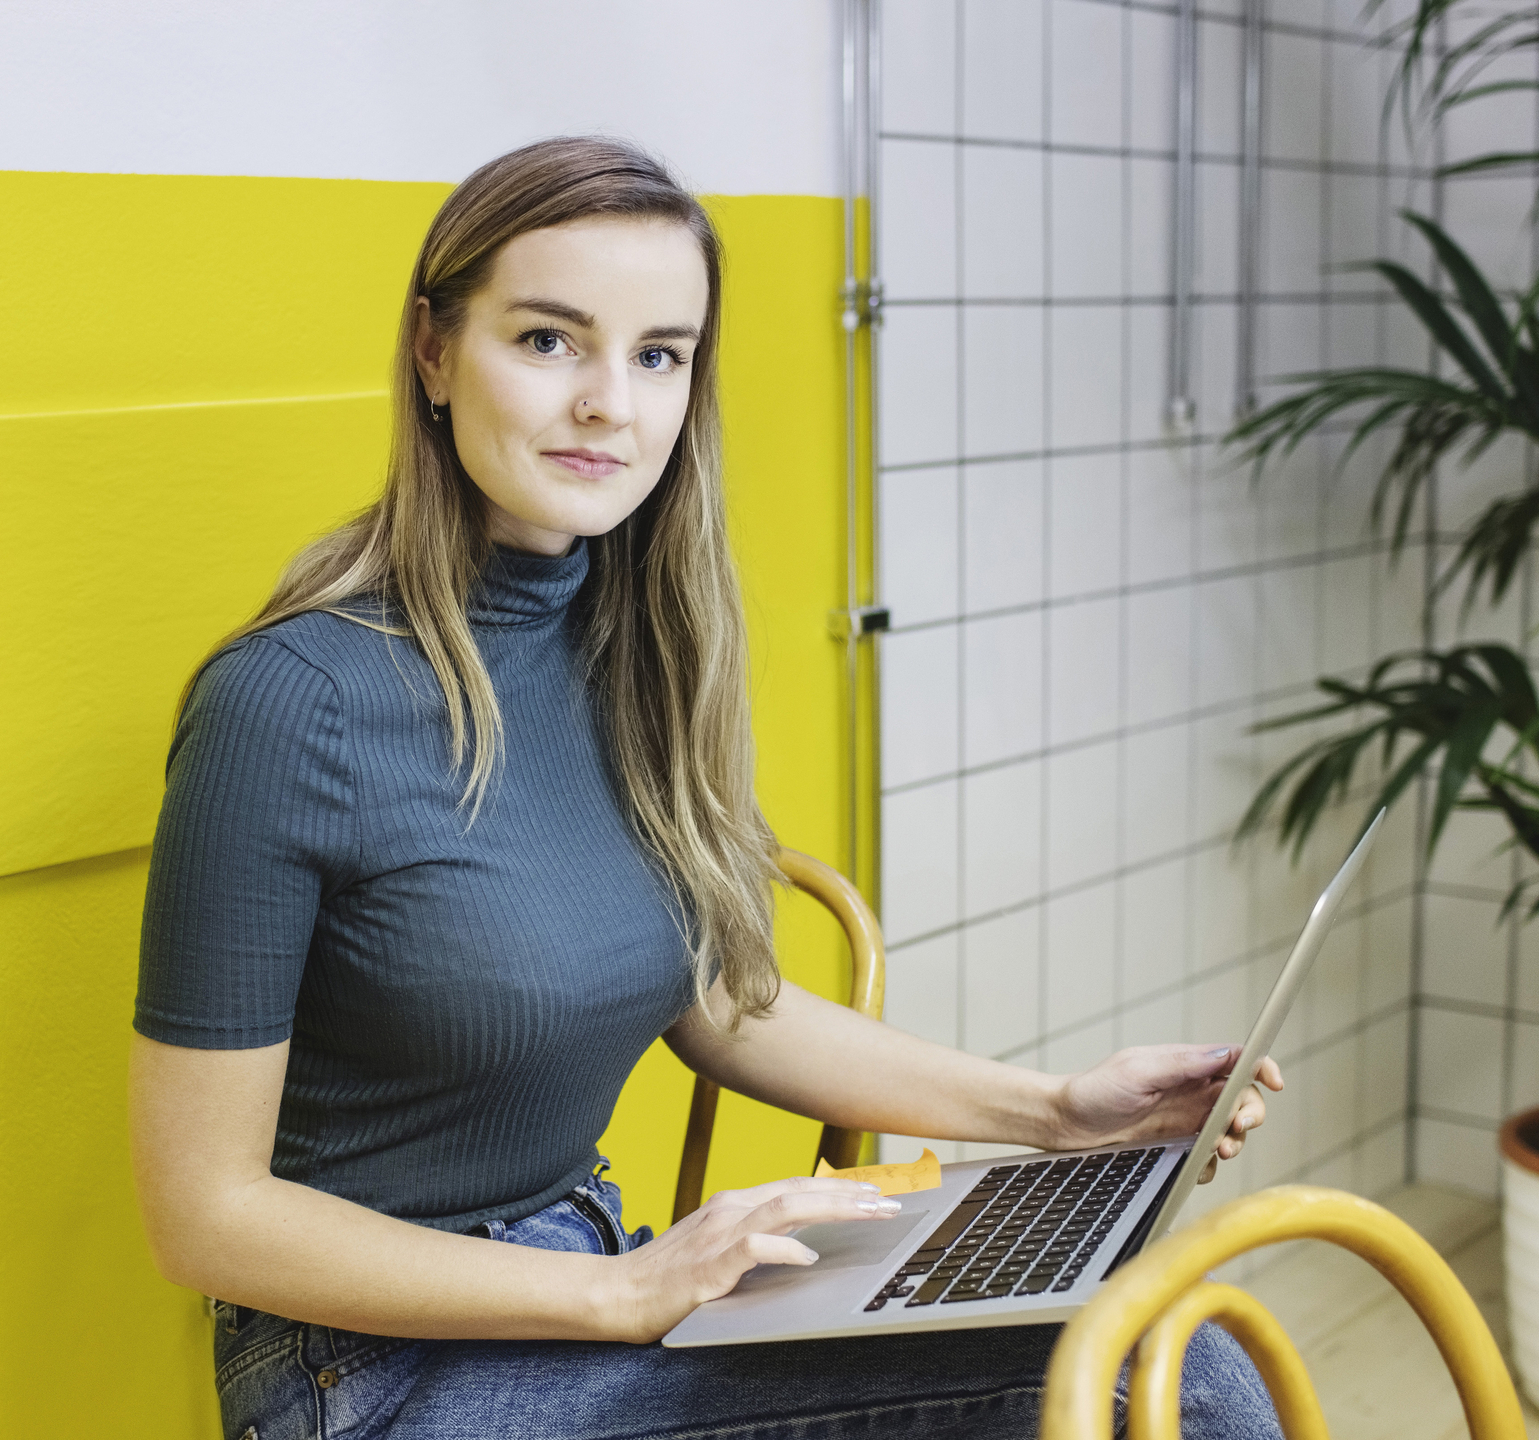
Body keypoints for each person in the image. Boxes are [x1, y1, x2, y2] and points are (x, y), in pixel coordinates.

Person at [131, 136, 1288, 1440]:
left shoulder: (636, 648)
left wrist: (1055, 1114)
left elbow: (713, 1002)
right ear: (435, 351)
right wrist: (628, 1292)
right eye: (549, 340)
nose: (608, 404)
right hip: (373, 1370)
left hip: (587, 1279)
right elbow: (201, 1215)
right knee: (1158, 1384)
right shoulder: (291, 704)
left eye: (658, 354)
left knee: (1154, 1324)